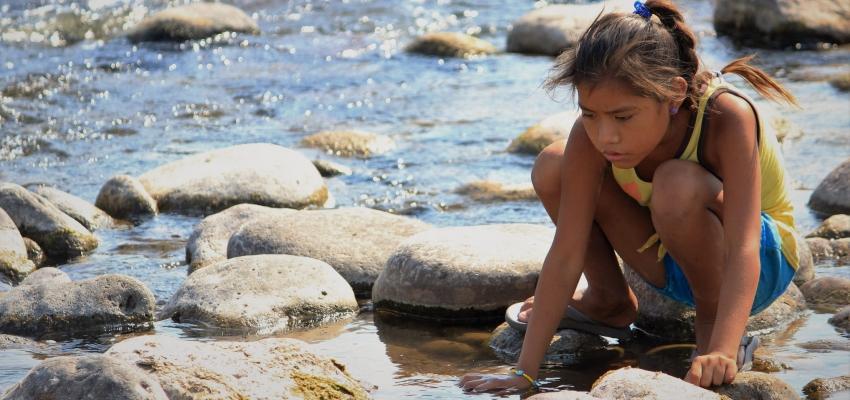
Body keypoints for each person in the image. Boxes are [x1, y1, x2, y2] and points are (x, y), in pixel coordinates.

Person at [460, 0, 800, 393]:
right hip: (673, 264)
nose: (606, 136)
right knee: (555, 164)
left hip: (760, 264)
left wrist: (721, 349)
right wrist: (524, 372)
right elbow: (567, 251)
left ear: (673, 93)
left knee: (677, 183)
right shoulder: (592, 136)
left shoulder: (726, 117)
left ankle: (716, 335)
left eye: (623, 117)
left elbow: (743, 247)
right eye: (590, 114)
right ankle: (609, 301)